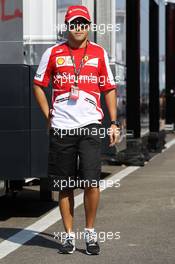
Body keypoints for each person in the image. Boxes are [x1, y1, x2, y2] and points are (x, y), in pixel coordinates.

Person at [33, 5, 120, 255]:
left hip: (91, 126)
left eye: (83, 23)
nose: (78, 28)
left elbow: (109, 89)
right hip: (62, 127)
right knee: (65, 184)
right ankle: (69, 237)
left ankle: (90, 233)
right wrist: (48, 114)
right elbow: (38, 85)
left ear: (89, 25)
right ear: (67, 26)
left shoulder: (99, 52)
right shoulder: (53, 52)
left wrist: (113, 123)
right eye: (74, 23)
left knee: (92, 183)